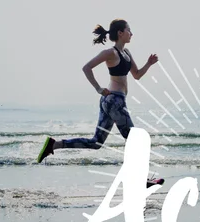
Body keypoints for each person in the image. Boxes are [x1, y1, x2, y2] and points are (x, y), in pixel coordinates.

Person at [37, 19, 158, 164]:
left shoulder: (126, 53)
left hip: (112, 101)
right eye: (129, 30)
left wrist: (149, 64)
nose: (131, 33)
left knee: (96, 143)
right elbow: (86, 67)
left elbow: (137, 75)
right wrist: (98, 88)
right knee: (134, 139)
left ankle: (54, 144)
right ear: (120, 33)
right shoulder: (110, 53)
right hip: (114, 101)